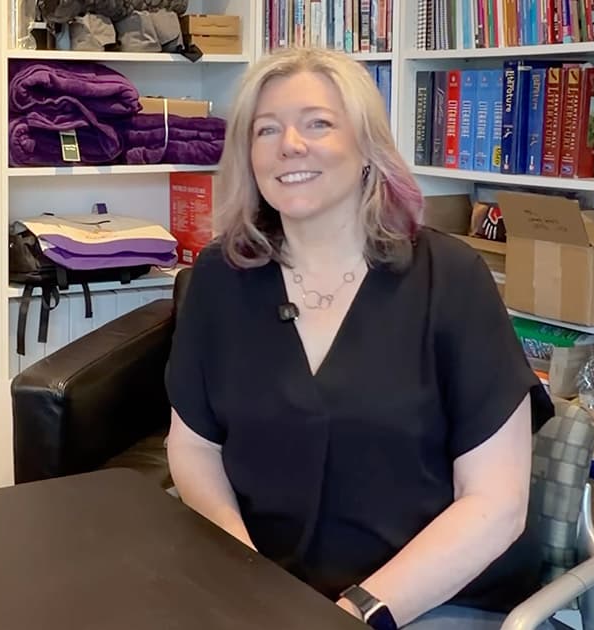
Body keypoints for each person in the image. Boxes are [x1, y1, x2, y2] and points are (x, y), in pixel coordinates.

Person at [165, 47, 551, 630]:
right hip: (266, 596)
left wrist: (357, 614)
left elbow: (496, 505)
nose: (289, 144)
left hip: (427, 601)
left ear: (367, 148)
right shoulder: (220, 277)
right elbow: (194, 448)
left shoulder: (450, 279)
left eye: (318, 123)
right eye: (266, 129)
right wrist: (242, 574)